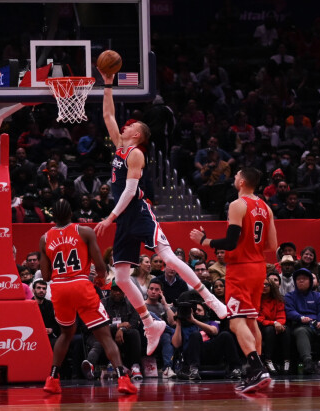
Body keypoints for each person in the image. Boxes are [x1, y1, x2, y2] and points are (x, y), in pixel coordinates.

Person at [95, 65, 227, 358]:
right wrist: (107, 84)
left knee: (166, 258)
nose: (125, 126)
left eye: (131, 126)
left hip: (138, 213)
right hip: (125, 220)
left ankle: (209, 299)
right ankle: (148, 323)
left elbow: (130, 192)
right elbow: (107, 115)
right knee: (121, 276)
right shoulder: (119, 146)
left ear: (138, 134)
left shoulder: (136, 153)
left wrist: (109, 218)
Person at [190, 166, 278, 393]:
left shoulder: (238, 205)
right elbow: (272, 246)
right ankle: (256, 371)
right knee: (250, 321)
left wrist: (205, 241)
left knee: (235, 321)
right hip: (258, 268)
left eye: (238, 174)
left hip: (240, 268)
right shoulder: (266, 207)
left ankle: (257, 368)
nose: (235, 175)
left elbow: (230, 242)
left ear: (241, 182)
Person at [40, 199, 136, 395]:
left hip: (59, 287)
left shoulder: (45, 238)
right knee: (104, 335)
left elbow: (46, 276)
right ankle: (123, 379)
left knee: (66, 334)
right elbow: (101, 266)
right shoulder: (83, 231)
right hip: (80, 284)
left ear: (53, 217)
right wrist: (100, 279)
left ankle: (52, 379)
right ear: (70, 214)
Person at [257, 277, 291, 375]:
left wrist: (279, 324)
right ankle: (268, 360)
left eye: (267, 284)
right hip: (261, 327)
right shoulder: (256, 300)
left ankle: (286, 360)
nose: (264, 286)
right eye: (262, 284)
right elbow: (259, 319)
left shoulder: (278, 300)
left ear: (271, 286)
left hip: (277, 325)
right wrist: (274, 323)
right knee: (269, 330)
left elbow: (282, 316)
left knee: (286, 330)